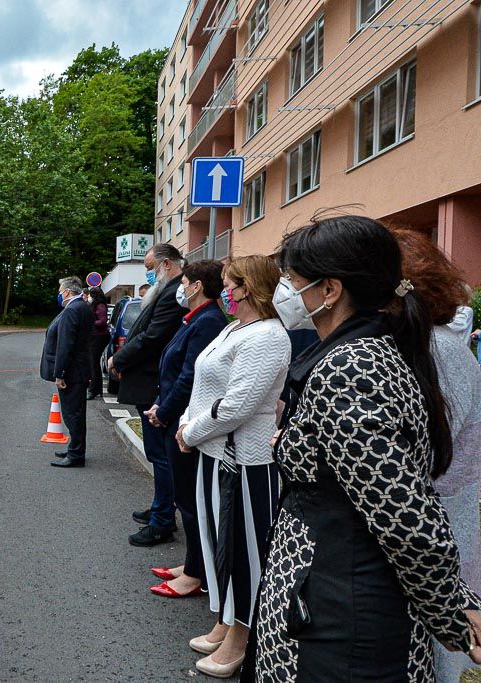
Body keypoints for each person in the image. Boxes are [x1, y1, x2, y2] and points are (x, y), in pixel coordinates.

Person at [244, 215, 481, 681]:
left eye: (292, 280)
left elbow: (406, 519)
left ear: (330, 290)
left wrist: (456, 616)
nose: (285, 292)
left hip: (340, 618)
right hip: (337, 599)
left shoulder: (350, 368)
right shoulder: (374, 349)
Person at [173, 256, 290, 677]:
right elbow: (205, 385)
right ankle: (225, 620)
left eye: (229, 283)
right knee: (220, 543)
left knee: (243, 550)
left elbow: (238, 404)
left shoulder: (267, 336)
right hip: (216, 452)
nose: (224, 290)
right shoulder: (233, 328)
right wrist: (189, 424)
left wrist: (190, 433)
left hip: (245, 459)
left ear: (250, 286)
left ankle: (243, 637)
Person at [390, 227, 481, 682]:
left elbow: (421, 457)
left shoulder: (439, 351)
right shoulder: (424, 346)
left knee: (428, 653)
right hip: (426, 523)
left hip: (434, 526)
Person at [144, 260, 228, 599]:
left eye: (187, 281)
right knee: (185, 497)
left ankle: (197, 573)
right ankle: (194, 562)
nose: (182, 286)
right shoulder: (195, 319)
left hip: (184, 422)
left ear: (196, 287)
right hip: (176, 416)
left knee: (191, 502)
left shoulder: (208, 321)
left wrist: (165, 411)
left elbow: (190, 376)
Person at [108, 244, 187, 546]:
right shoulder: (168, 291)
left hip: (154, 383)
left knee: (160, 455)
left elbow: (152, 337)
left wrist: (120, 359)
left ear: (167, 265)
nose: (149, 275)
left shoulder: (172, 294)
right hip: (150, 381)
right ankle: (160, 507)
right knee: (157, 454)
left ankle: (163, 520)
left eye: (151, 268)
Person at [40, 276, 95, 468]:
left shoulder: (72, 309)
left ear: (67, 292)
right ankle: (75, 448)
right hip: (78, 369)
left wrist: (60, 373)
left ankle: (76, 454)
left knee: (73, 414)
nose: (59, 293)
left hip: (72, 371)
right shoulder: (81, 307)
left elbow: (66, 344)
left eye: (60, 290)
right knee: (75, 413)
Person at [86, 286, 110, 400]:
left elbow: (102, 321)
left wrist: (90, 322)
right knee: (94, 364)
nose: (89, 297)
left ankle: (93, 390)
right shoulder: (96, 305)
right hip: (95, 337)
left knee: (93, 364)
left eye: (90, 295)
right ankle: (97, 389)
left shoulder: (99, 305)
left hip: (99, 337)